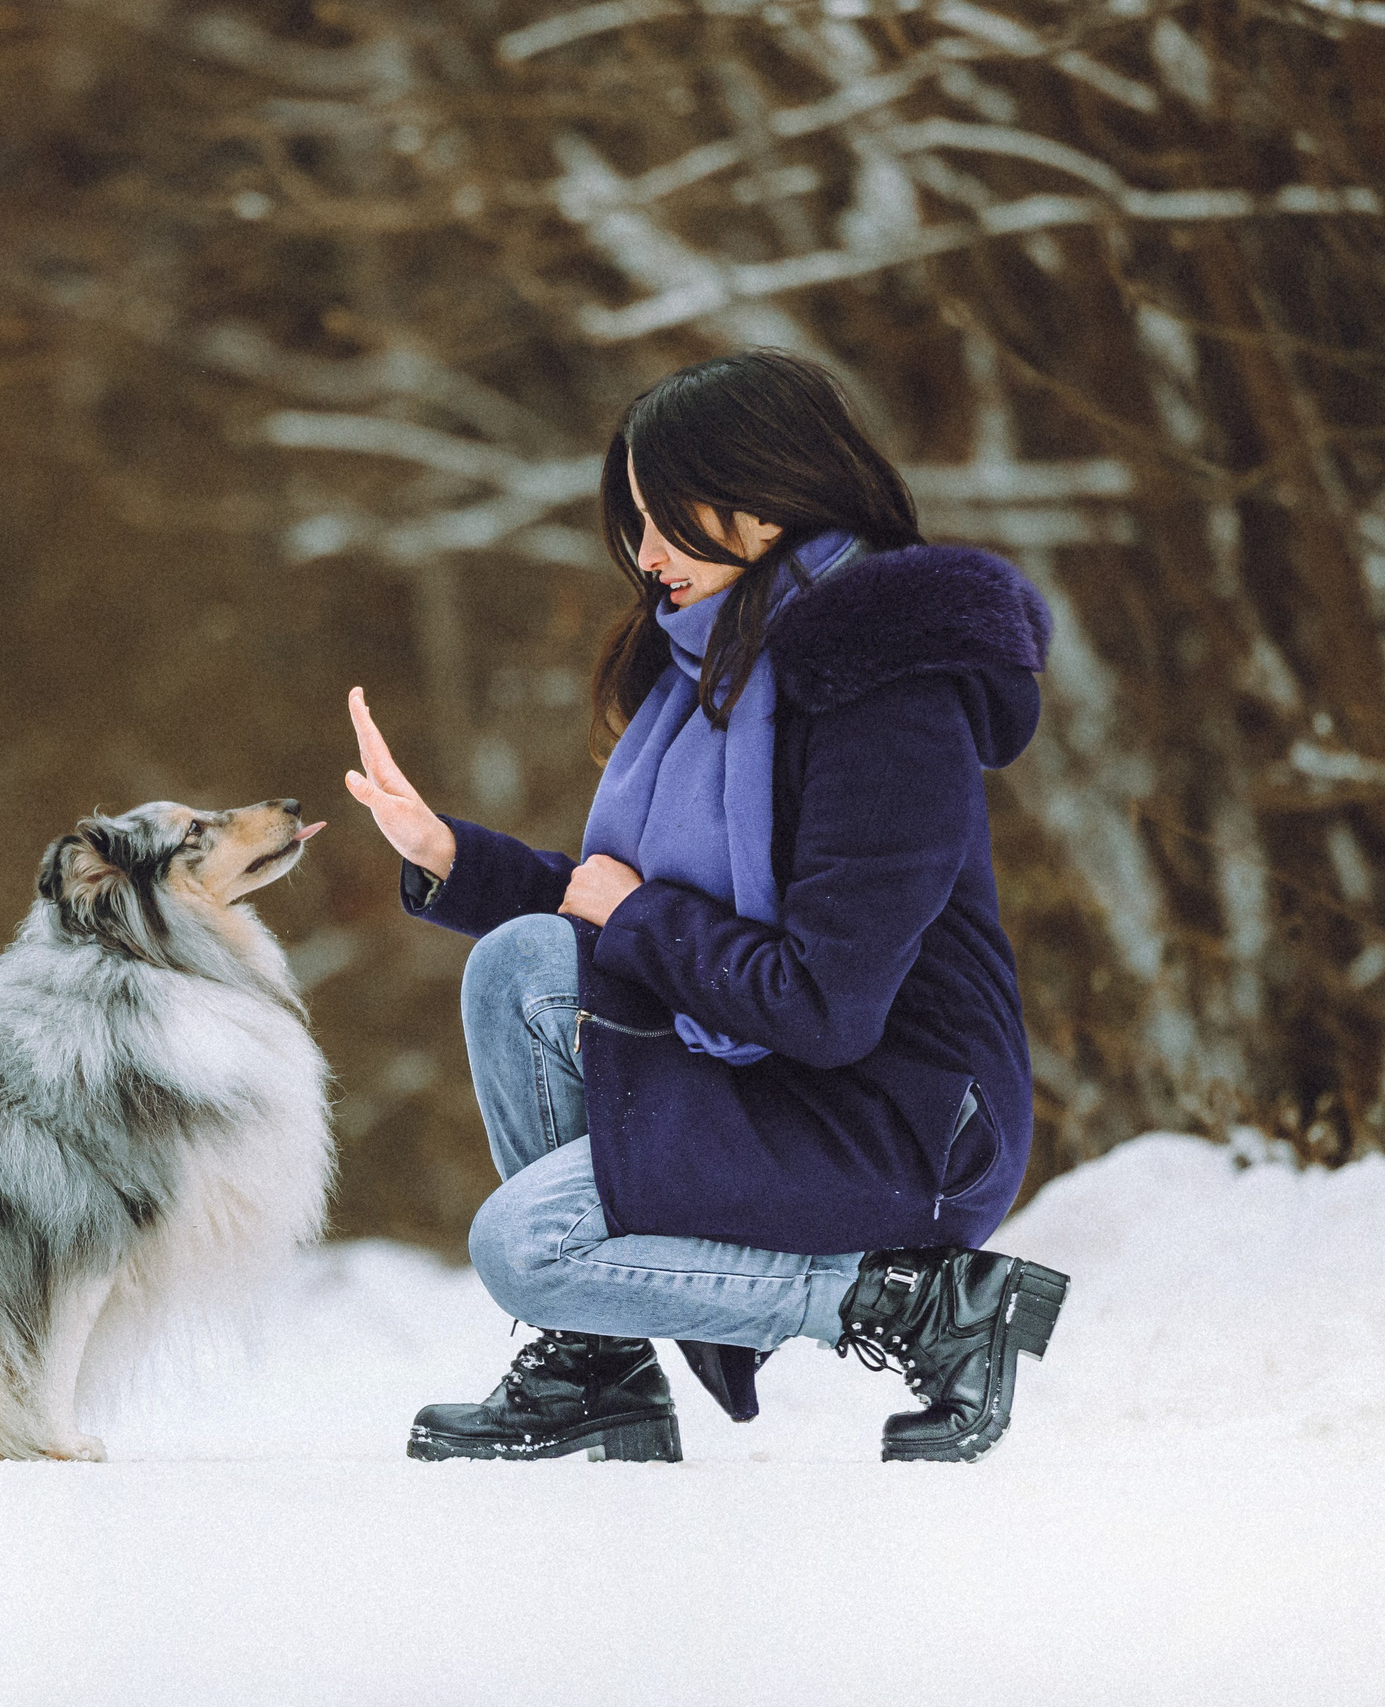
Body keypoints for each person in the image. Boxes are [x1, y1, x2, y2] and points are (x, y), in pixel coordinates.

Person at [344, 350, 1069, 1465]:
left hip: (901, 1120)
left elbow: (824, 1002)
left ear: (768, 500)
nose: (643, 557)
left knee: (524, 1249)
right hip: (781, 1078)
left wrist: (632, 921)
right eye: (631, 522)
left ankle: (922, 1307)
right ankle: (597, 1372)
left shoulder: (886, 692)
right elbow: (615, 914)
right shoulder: (711, 673)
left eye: (666, 519)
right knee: (522, 960)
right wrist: (453, 858)